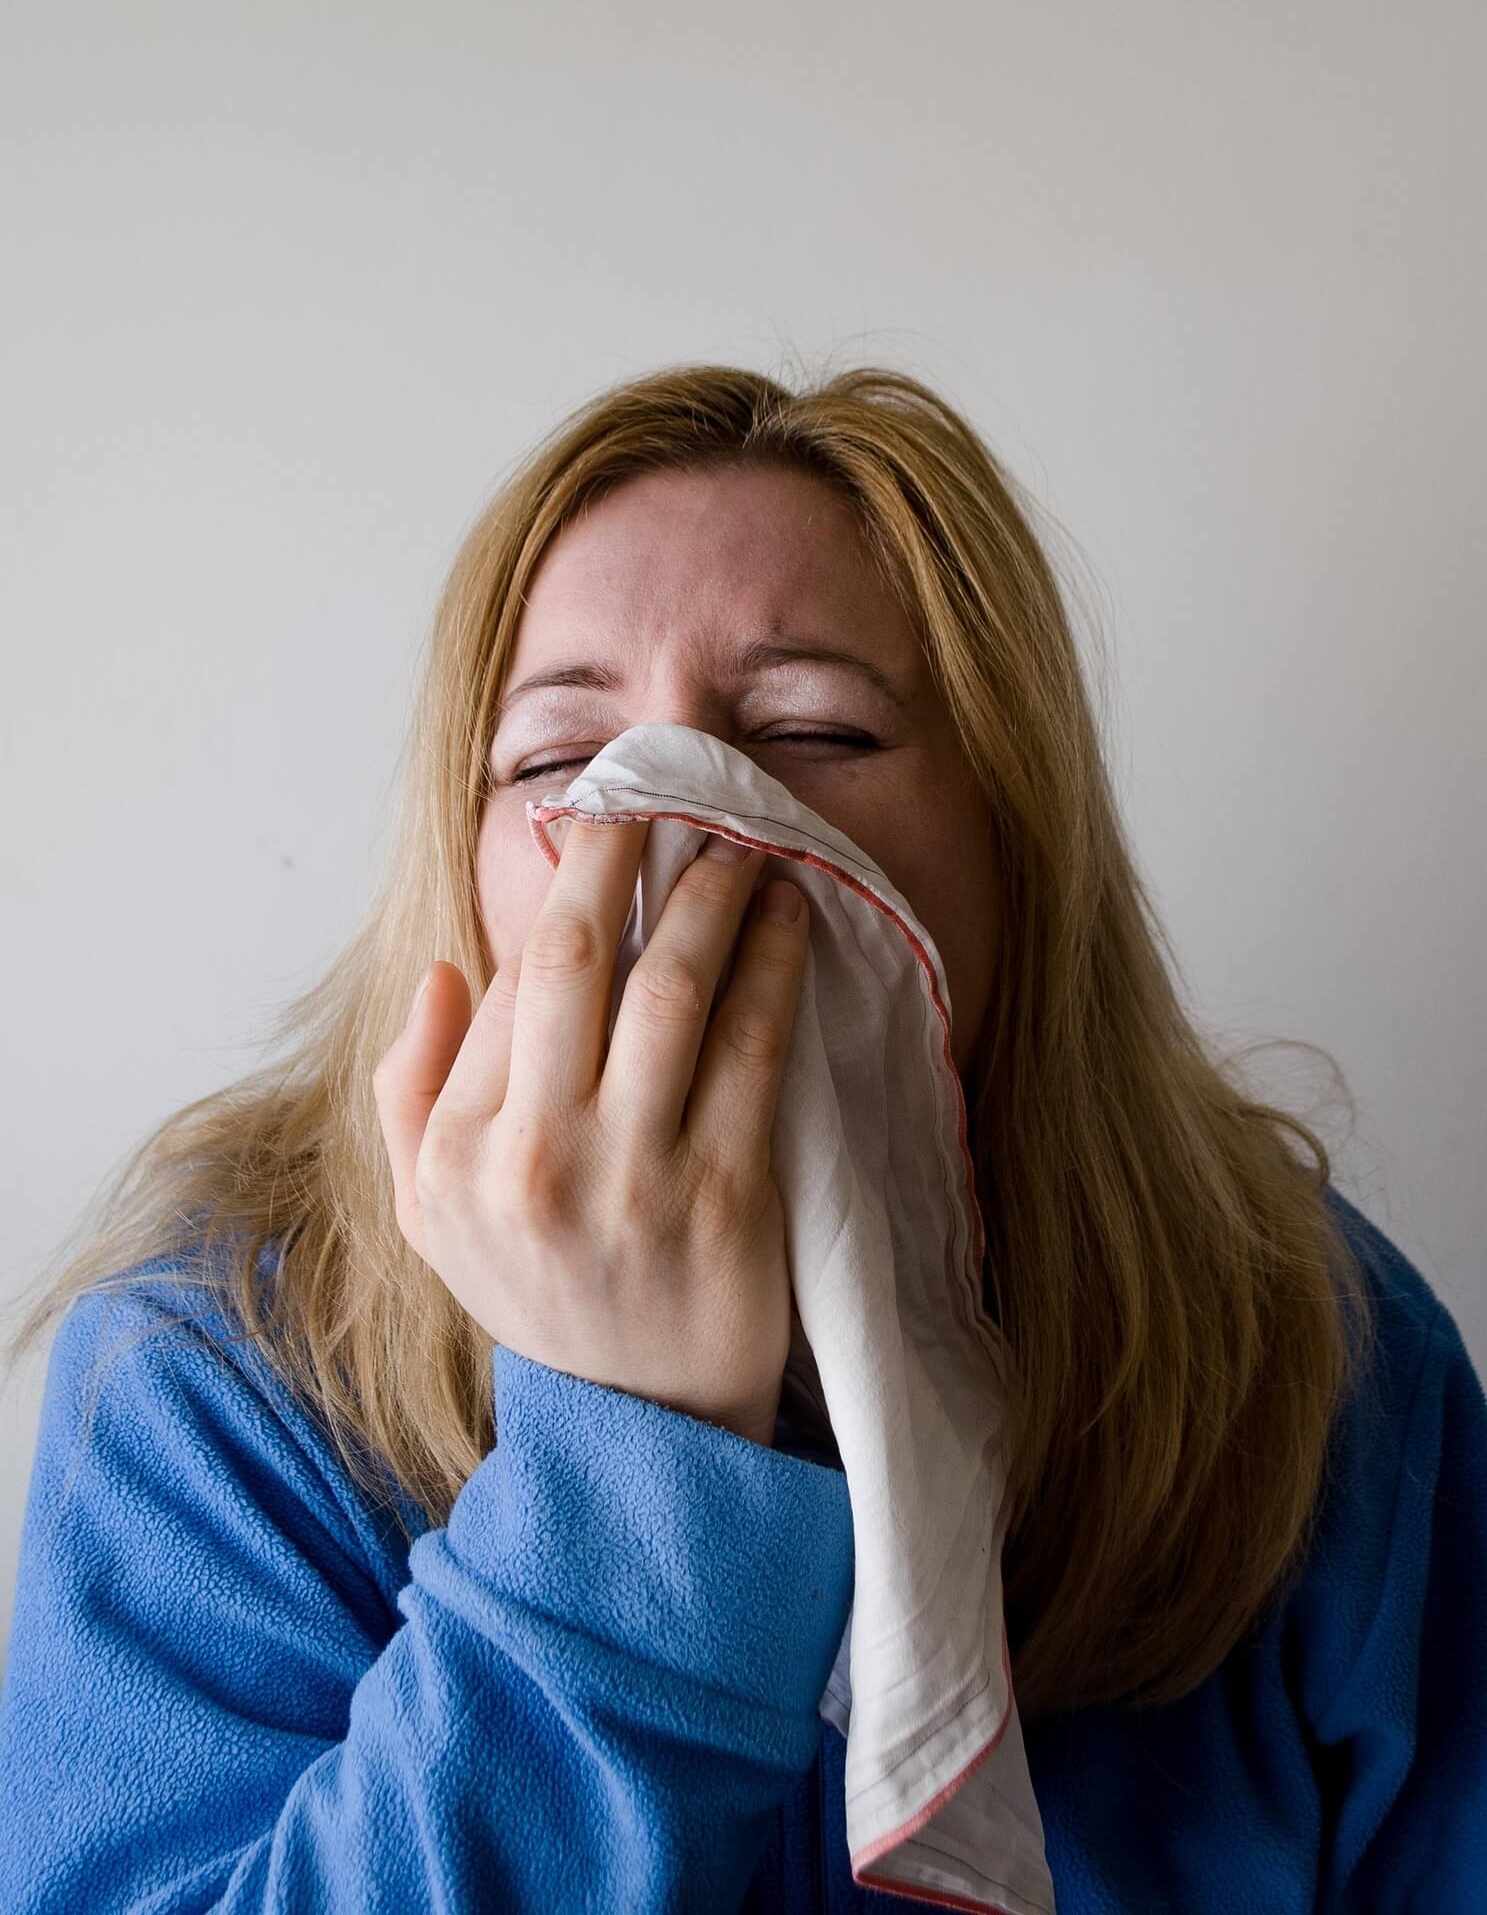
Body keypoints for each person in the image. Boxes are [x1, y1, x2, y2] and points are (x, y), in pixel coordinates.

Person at [1, 362, 1482, 1913]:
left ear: (1015, 852)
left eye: (812, 729)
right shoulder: (214, 1370)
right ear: (464, 855)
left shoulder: (1306, 1356)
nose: (674, 817)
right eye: (562, 762)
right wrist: (631, 1479)